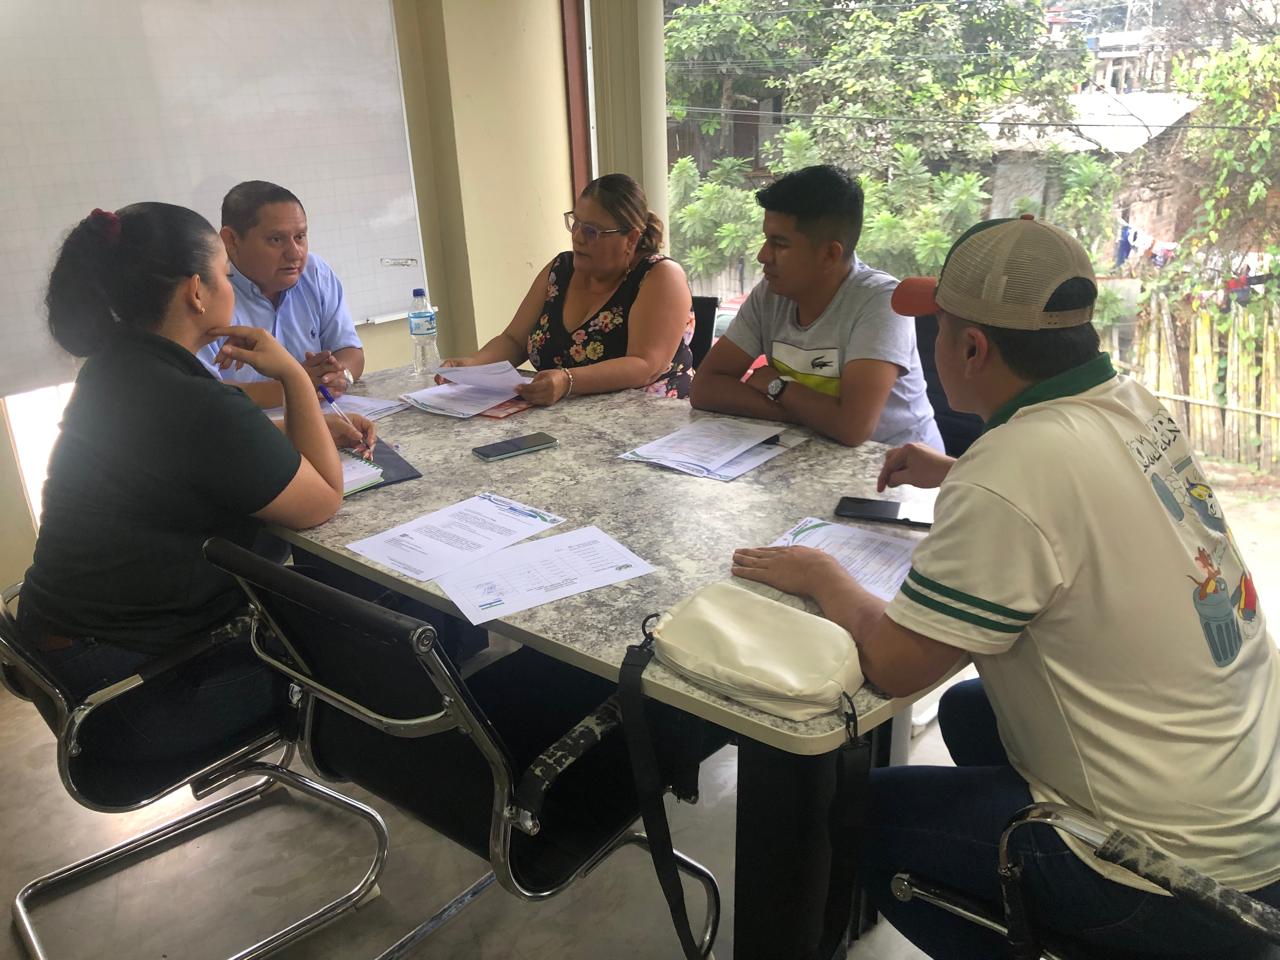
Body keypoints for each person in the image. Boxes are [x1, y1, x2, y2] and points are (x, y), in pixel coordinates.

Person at [730, 216, 1280, 956]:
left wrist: (821, 573)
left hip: (1169, 875)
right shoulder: (1130, 401)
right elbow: (1088, 493)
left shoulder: (1014, 467)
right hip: (1250, 818)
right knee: (970, 711)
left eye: (936, 328)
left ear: (971, 348)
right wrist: (954, 471)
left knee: (860, 813)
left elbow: (895, 665)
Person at [19, 202, 376, 762]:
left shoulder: (120, 370)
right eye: (226, 276)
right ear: (196, 292)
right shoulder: (190, 401)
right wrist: (291, 375)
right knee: (369, 655)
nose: (230, 288)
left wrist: (309, 425)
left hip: (64, 657)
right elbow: (322, 501)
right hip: (131, 692)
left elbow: (200, 448)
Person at [690, 165, 942, 450]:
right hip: (811, 450)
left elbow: (853, 428)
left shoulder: (880, 302)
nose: (763, 256)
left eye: (779, 244)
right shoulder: (771, 294)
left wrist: (778, 386)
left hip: (897, 465)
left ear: (830, 254)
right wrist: (803, 411)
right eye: (766, 240)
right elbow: (705, 388)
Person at [438, 173, 694, 403]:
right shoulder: (560, 269)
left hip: (648, 423)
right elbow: (514, 340)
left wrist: (567, 381)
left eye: (592, 231)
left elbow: (645, 366)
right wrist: (474, 365)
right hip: (567, 422)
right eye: (576, 223)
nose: (578, 237)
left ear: (631, 238)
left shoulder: (660, 276)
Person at [199, 181, 364, 407]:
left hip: (323, 415)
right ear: (232, 240)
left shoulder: (315, 272)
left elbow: (350, 350)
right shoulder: (204, 294)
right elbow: (200, 394)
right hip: (244, 425)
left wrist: (338, 377)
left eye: (300, 237)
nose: (295, 254)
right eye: (276, 240)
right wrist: (297, 385)